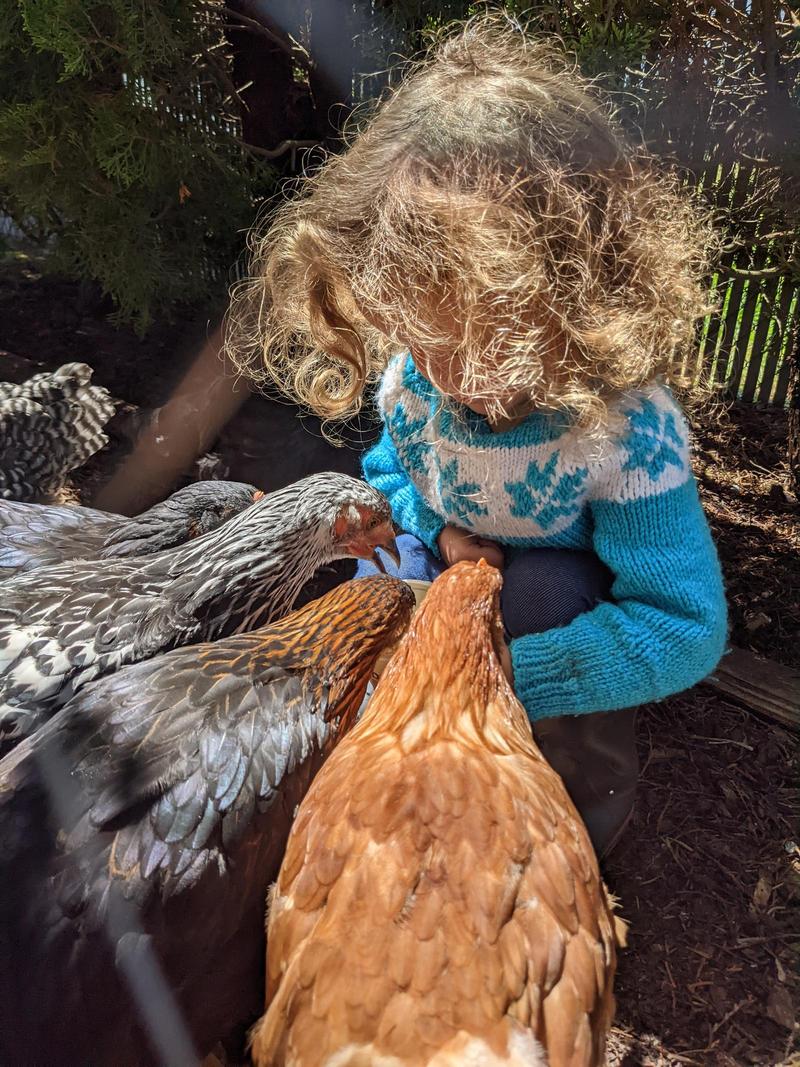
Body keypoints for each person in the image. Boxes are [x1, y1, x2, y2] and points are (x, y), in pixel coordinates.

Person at [226, 15, 728, 856]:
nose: (443, 372)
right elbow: (391, 472)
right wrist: (437, 532)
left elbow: (682, 623)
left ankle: (574, 822)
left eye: (478, 343)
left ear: (574, 302)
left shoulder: (625, 432)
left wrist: (501, 679)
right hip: (460, 563)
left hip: (562, 609)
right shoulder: (417, 381)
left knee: (540, 595)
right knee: (351, 571)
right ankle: (375, 773)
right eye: (421, 338)